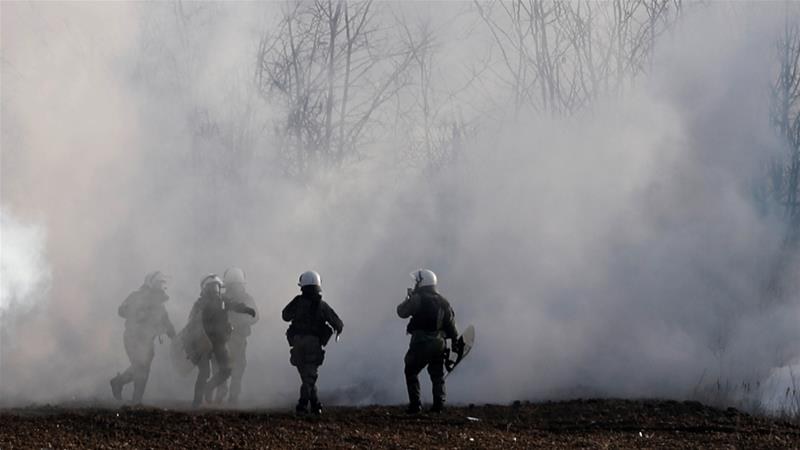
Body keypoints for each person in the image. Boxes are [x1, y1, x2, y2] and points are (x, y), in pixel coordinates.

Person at [187, 274, 255, 408]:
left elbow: (234, 306)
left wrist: (246, 309)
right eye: (212, 287)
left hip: (219, 341)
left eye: (217, 286)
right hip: (203, 343)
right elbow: (191, 325)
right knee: (204, 372)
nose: (215, 289)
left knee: (227, 370)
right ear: (206, 288)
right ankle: (197, 402)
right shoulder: (200, 304)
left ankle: (208, 388)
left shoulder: (223, 301)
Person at [397, 269, 458, 414]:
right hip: (439, 342)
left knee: (411, 371)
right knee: (437, 375)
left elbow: (401, 312)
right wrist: (454, 342)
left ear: (422, 282)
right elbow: (451, 325)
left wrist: (408, 298)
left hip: (422, 341)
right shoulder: (443, 301)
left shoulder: (417, 298)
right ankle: (439, 405)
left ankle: (415, 406)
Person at [282, 270, 343, 415]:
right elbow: (338, 324)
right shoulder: (322, 305)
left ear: (302, 285)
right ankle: (302, 405)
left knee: (307, 376)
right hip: (313, 344)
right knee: (309, 377)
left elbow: (285, 315)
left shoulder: (297, 302)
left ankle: (315, 404)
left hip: (297, 342)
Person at [110, 271, 176, 404]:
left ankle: (120, 383)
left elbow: (167, 323)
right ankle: (136, 401)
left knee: (143, 369)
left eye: (163, 284)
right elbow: (121, 310)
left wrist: (174, 336)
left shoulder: (160, 305)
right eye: (159, 283)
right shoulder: (136, 296)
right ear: (151, 283)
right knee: (140, 367)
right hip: (132, 337)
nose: (162, 286)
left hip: (148, 341)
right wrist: (136, 313)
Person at [210, 267, 259, 404]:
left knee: (224, 366)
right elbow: (255, 316)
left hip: (227, 338)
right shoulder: (242, 299)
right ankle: (231, 396)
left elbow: (255, 317)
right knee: (236, 367)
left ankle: (226, 394)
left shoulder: (221, 297)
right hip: (232, 339)